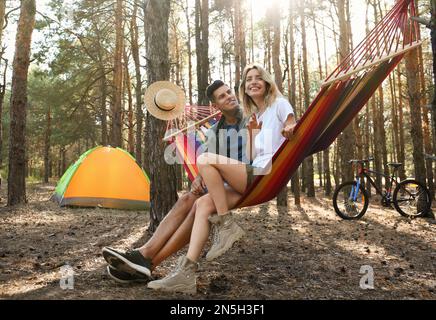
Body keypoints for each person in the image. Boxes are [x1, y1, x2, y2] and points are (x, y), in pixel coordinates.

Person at [146, 63, 297, 294]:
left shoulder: (277, 103)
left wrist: (290, 125)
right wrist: (253, 133)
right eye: (248, 80)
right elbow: (251, 155)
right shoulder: (256, 116)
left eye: (258, 78)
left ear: (267, 82)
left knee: (205, 159)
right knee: (202, 203)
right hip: (252, 175)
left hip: (262, 176)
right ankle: (186, 273)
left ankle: (226, 224)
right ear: (244, 88)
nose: (253, 82)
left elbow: (289, 119)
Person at [102, 80, 248, 283]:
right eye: (222, 96)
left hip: (247, 180)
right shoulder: (215, 130)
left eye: (229, 92)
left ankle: (147, 260)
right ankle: (145, 258)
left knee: (199, 205)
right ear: (215, 106)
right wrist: (198, 177)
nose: (230, 96)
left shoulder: (249, 117)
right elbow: (208, 159)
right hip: (221, 184)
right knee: (188, 198)